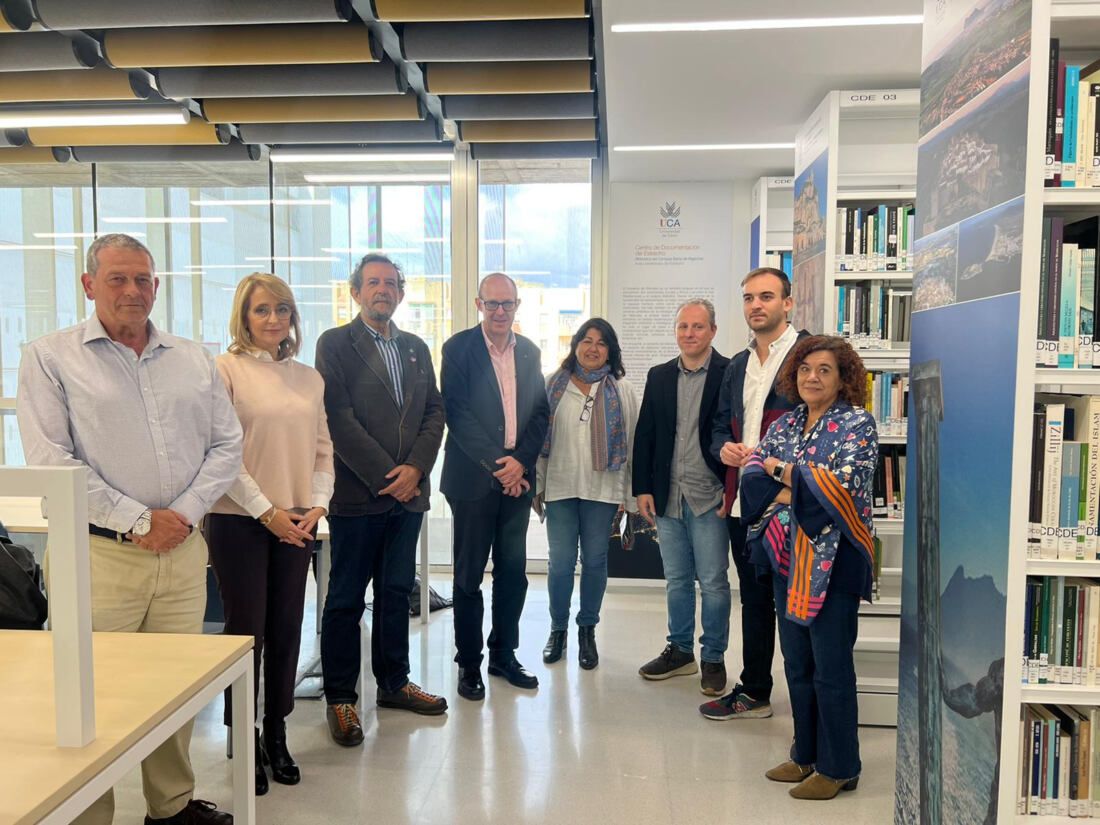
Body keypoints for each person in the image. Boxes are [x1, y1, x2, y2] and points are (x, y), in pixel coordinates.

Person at [17, 233, 242, 825]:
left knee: (175, 687)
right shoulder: (50, 357)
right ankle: (91, 813)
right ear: (89, 285)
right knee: (89, 693)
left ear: (156, 287)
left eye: (142, 279)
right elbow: (50, 460)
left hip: (184, 553)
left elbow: (227, 446)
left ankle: (169, 806)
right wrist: (139, 519)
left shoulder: (195, 359)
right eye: (116, 278)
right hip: (98, 555)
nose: (132, 290)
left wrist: (184, 515)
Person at [203, 273, 334, 795]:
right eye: (262, 310)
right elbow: (222, 454)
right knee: (246, 633)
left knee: (286, 628)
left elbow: (322, 449)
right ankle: (244, 735)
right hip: (240, 520)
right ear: (244, 316)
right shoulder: (224, 370)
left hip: (298, 519)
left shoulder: (309, 377)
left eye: (282, 309)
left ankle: (277, 731)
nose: (274, 319)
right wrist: (267, 512)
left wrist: (317, 504)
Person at [315, 253, 448, 746]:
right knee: (346, 600)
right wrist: (387, 475)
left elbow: (434, 411)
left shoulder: (415, 347)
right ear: (356, 292)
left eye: (391, 283)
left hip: (407, 499)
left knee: (395, 594)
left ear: (401, 292)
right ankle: (341, 699)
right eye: (373, 283)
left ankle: (393, 683)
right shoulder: (335, 344)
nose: (382, 290)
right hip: (357, 498)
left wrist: (415, 470)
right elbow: (338, 417)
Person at [739, 335, 878, 800]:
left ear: (843, 379)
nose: (811, 378)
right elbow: (752, 475)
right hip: (786, 558)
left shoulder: (858, 423)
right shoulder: (786, 421)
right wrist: (795, 482)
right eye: (804, 369)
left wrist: (783, 476)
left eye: (823, 370)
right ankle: (806, 755)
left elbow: (844, 489)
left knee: (831, 666)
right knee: (797, 662)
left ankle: (840, 766)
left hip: (836, 563)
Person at [701, 267, 808, 722]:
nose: (755, 306)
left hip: (791, 504)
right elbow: (719, 425)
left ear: (788, 302)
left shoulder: (810, 355)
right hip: (744, 502)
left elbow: (824, 427)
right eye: (748, 298)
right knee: (756, 598)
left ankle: (809, 708)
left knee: (796, 607)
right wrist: (721, 449)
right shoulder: (738, 364)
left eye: (766, 296)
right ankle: (755, 690)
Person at [441, 272, 550, 701]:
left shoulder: (530, 352)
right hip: (473, 479)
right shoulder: (459, 349)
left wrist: (519, 462)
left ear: (517, 306)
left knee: (513, 573)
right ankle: (469, 664)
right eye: (493, 304)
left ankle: (503, 654)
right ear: (478, 303)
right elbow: (458, 413)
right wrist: (499, 466)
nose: (500, 312)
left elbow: (540, 413)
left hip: (516, 481)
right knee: (469, 576)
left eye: (508, 304)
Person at [632, 298, 732, 696]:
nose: (689, 334)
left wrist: (733, 487)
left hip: (709, 495)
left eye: (698, 327)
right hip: (667, 495)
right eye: (683, 327)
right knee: (676, 580)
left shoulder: (729, 373)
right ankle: (680, 650)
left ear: (713, 331)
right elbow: (646, 436)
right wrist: (642, 487)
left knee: (713, 581)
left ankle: (713, 657)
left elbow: (736, 432)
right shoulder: (658, 376)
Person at [536, 318, 638, 670]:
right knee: (561, 561)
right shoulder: (553, 384)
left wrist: (629, 494)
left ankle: (587, 630)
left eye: (601, 343)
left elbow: (633, 442)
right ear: (575, 344)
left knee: (594, 560)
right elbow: (536, 439)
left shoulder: (621, 389)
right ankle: (558, 629)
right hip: (561, 485)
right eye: (586, 340)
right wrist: (538, 484)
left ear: (610, 350)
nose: (592, 348)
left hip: (603, 488)